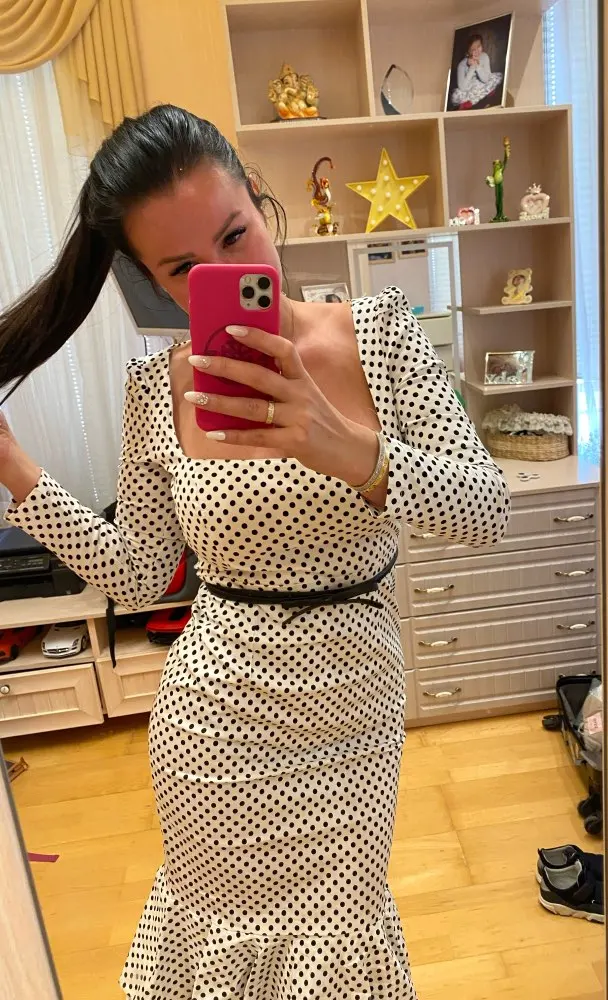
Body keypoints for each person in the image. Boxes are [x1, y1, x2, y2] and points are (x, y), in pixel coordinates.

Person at [0, 105, 510, 1000]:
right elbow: (138, 574)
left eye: (235, 234)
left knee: (338, 941)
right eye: (184, 268)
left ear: (260, 198)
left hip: (354, 704)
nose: (226, 270)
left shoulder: (380, 334)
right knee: (217, 944)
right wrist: (15, 471)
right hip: (212, 720)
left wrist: (337, 442)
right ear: (156, 283)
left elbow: (485, 508)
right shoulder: (156, 390)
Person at [450, 33, 504, 110]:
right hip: (468, 88)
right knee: (456, 95)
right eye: (473, 49)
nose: (477, 51)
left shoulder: (484, 56)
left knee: (494, 78)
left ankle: (474, 100)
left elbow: (486, 79)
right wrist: (472, 68)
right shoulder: (462, 64)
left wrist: (477, 66)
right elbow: (462, 87)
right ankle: (470, 102)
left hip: (482, 83)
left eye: (479, 46)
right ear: (468, 52)